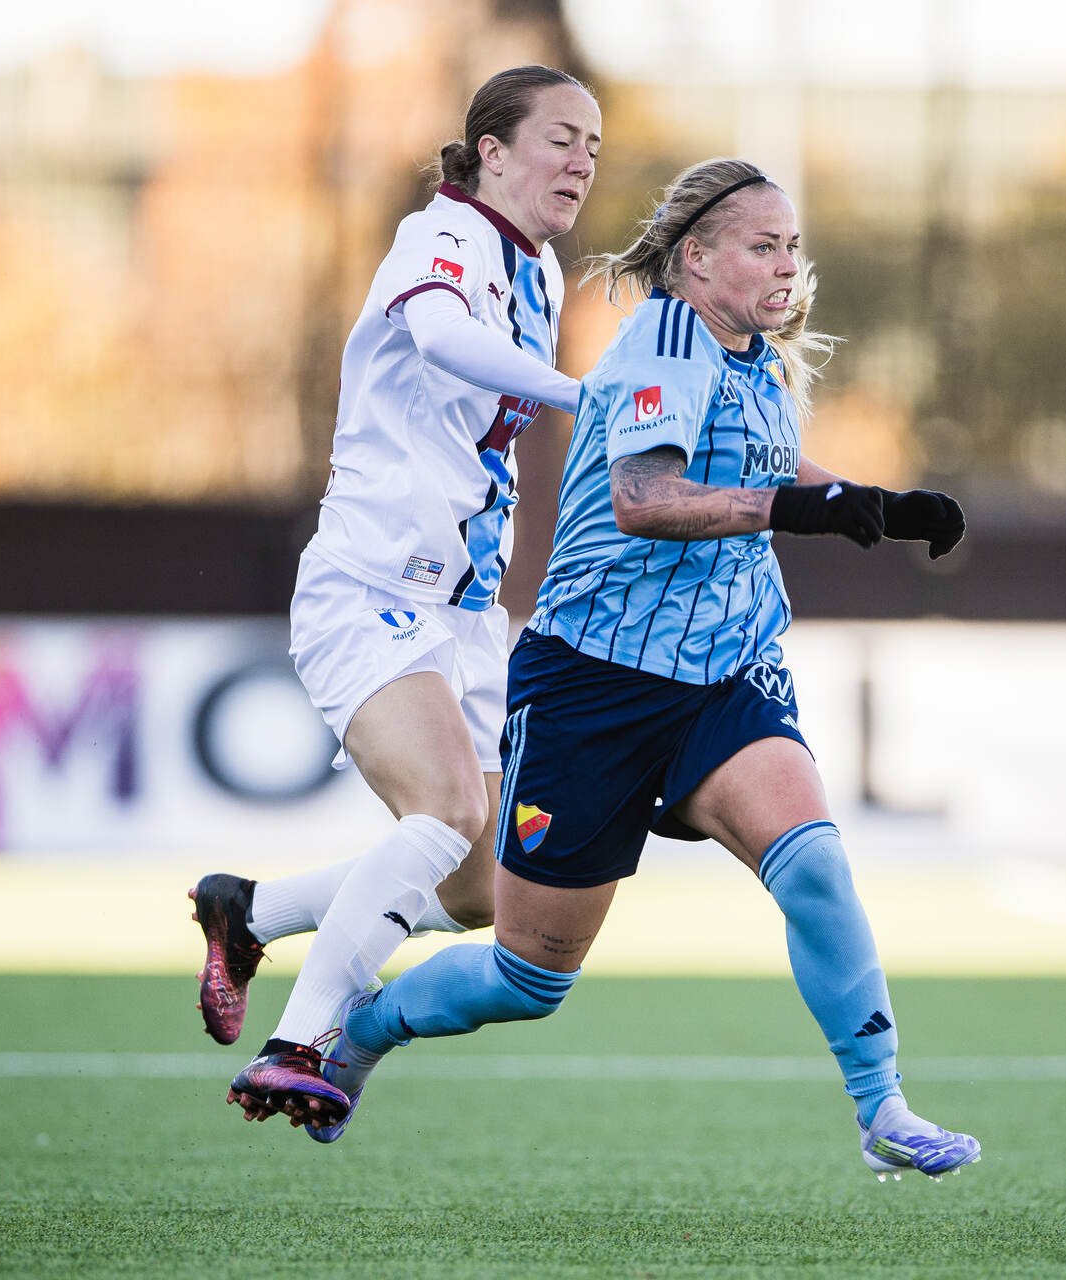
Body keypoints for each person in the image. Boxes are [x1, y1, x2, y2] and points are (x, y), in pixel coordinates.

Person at [306, 158, 980, 1178]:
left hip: (726, 671)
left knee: (814, 864)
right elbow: (645, 497)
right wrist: (804, 510)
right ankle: (366, 1026)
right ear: (696, 257)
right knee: (527, 977)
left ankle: (882, 1104)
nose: (787, 263)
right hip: (591, 684)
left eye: (793, 245)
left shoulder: (751, 354)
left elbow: (763, 458)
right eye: (764, 244)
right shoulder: (661, 343)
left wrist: (871, 500)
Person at [187, 65, 603, 1131]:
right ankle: (298, 1041)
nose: (581, 161)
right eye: (560, 138)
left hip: (466, 616)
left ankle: (249, 911)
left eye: (593, 147)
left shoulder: (539, 269)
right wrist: (580, 390)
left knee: (478, 887)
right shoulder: (445, 235)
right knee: (451, 809)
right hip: (370, 587)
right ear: (493, 150)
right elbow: (441, 337)